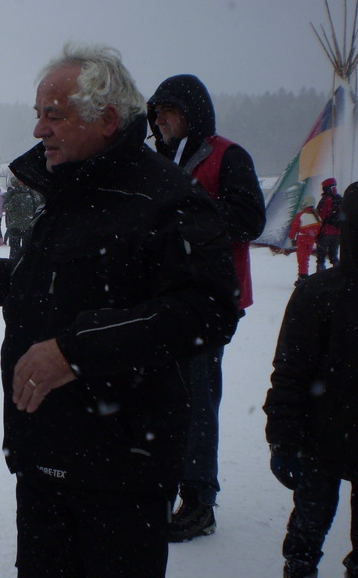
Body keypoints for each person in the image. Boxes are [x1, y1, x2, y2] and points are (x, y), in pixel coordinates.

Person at [0, 44, 239, 578]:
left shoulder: (166, 198)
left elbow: (208, 310)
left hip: (119, 472)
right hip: (44, 460)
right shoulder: (70, 189)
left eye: (53, 115)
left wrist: (75, 352)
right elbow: (57, 280)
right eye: (37, 114)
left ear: (108, 119)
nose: (39, 130)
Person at [147, 73, 266, 541]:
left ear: (192, 113)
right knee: (162, 394)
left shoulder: (227, 155)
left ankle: (199, 499)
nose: (161, 121)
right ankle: (164, 482)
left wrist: (189, 212)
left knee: (196, 396)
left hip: (212, 301)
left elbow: (250, 219)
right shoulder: (159, 158)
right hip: (165, 297)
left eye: (168, 112)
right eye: (156, 114)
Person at [264, 182, 358, 578]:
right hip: (318, 443)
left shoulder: (320, 292)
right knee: (306, 535)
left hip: (322, 440)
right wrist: (283, 439)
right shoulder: (319, 294)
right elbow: (290, 373)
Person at [2, 176, 40, 259]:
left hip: (27, 225)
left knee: (26, 249)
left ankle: (22, 265)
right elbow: (5, 205)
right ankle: (14, 265)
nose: (20, 182)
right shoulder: (12, 193)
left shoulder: (31, 193)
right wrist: (13, 204)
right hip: (16, 225)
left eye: (22, 180)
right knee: (15, 249)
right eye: (19, 180)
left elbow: (37, 204)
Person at [288, 196, 321, 285]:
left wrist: (292, 237)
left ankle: (302, 276)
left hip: (302, 239)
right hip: (311, 240)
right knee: (306, 258)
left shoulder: (301, 215)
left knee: (301, 259)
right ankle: (304, 275)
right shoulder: (316, 215)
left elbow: (294, 228)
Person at [315, 177, 342, 271]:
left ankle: (320, 277)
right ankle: (339, 275)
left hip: (325, 232)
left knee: (321, 258)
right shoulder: (340, 199)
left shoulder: (325, 200)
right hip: (337, 233)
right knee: (334, 256)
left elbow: (320, 216)